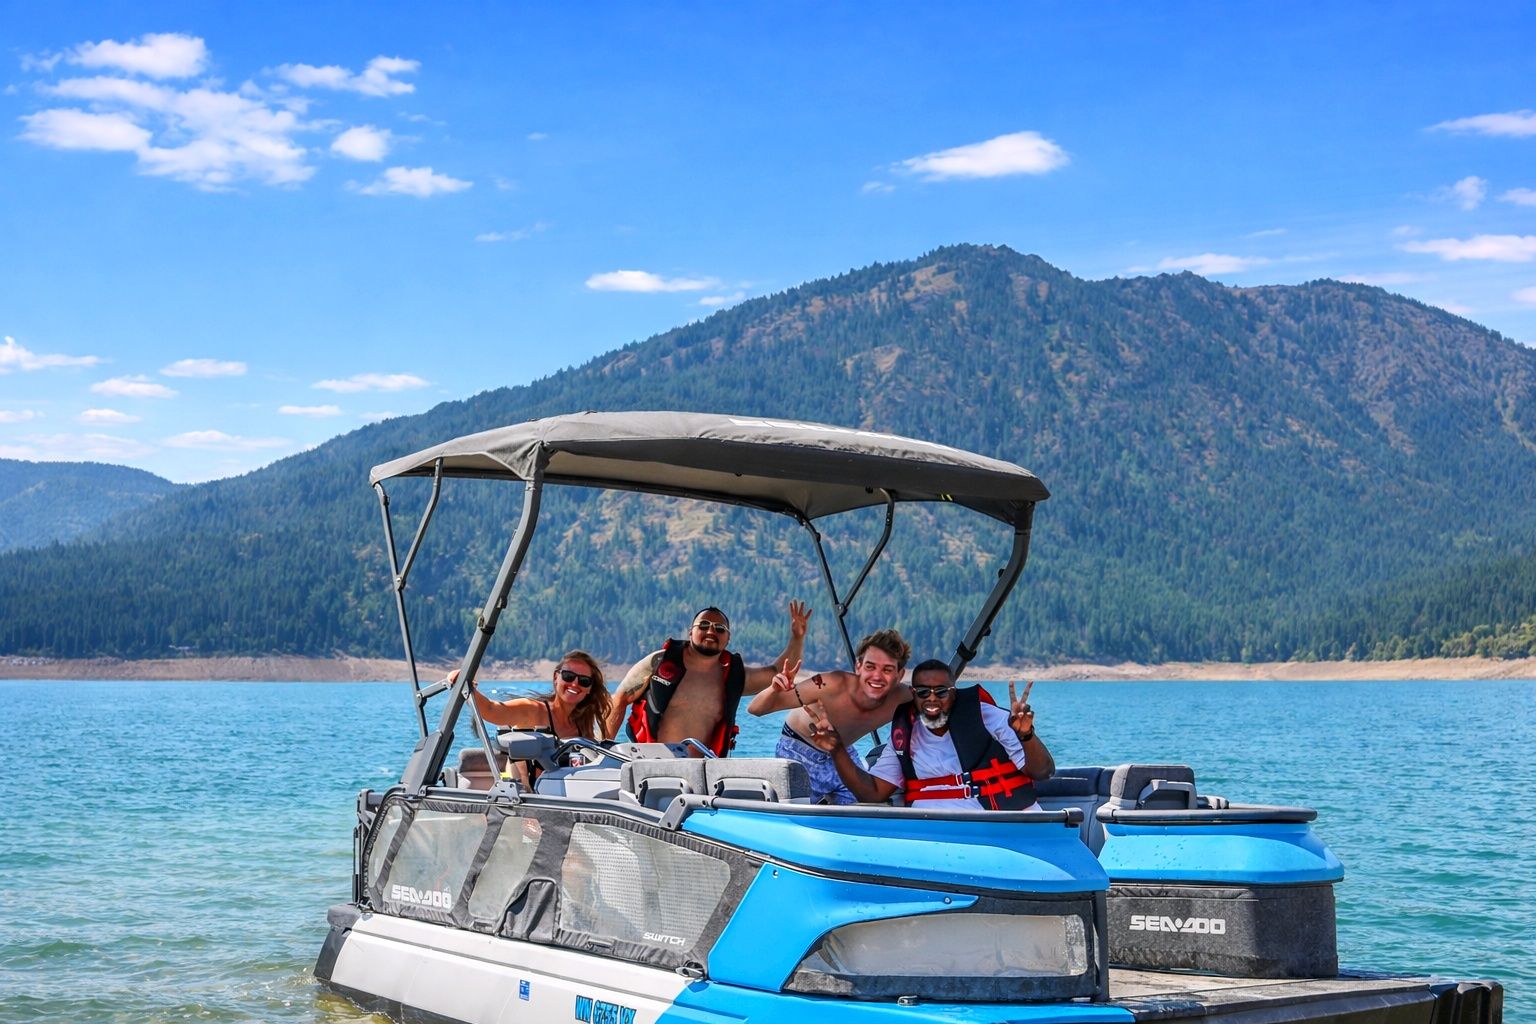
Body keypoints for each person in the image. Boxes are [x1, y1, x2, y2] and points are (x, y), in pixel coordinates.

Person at [804, 661, 1054, 810]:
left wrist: (1026, 735)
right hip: (933, 833)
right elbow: (873, 793)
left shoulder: (990, 718)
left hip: (1000, 826)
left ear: (953, 693)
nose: (932, 699)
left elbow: (1043, 771)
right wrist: (837, 749)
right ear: (913, 694)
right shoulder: (904, 734)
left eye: (941, 692)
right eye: (923, 692)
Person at [605, 601, 810, 756]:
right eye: (703, 625)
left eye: (720, 629)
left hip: (705, 775)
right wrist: (603, 749)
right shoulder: (658, 662)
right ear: (690, 632)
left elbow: (778, 671)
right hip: (652, 766)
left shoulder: (734, 677)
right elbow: (620, 699)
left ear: (728, 639)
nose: (711, 631)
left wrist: (797, 637)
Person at [745, 628, 913, 804]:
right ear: (858, 667)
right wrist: (774, 689)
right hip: (799, 751)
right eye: (870, 667)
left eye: (887, 669)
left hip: (842, 752)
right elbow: (755, 709)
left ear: (900, 675)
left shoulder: (903, 697)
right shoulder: (829, 684)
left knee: (866, 809)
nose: (877, 676)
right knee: (798, 814)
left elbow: (932, 699)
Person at [466, 649, 612, 742]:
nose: (574, 684)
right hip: (526, 784)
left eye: (584, 681)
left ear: (589, 689)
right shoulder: (532, 710)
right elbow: (490, 710)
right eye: (568, 676)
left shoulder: (583, 722)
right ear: (556, 678)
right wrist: (464, 684)